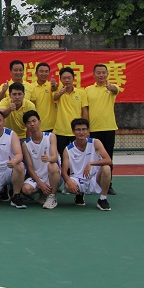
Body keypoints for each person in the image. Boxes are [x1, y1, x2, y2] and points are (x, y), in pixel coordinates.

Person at [61, 118, 113, 211]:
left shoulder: (95, 142)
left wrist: (91, 163)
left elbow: (109, 160)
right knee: (68, 186)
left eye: (84, 129)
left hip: (95, 178)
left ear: (88, 131)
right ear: (73, 131)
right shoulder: (68, 149)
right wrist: (69, 182)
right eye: (78, 129)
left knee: (106, 168)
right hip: (78, 179)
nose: (81, 132)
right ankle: (79, 194)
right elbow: (64, 172)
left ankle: (103, 199)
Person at [86, 63, 119, 195]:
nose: (101, 75)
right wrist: (86, 128)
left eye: (103, 73)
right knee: (91, 157)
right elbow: (85, 109)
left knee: (108, 157)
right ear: (93, 75)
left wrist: (111, 88)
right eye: (98, 73)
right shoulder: (87, 90)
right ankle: (89, 183)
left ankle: (108, 184)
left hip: (109, 128)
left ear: (107, 74)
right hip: (93, 129)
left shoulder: (112, 88)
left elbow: (115, 90)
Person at [20, 110, 60, 209]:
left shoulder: (51, 136)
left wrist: (48, 158)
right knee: (26, 189)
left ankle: (52, 196)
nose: (32, 124)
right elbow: (30, 168)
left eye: (34, 121)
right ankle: (43, 192)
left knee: (53, 165)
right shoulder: (26, 144)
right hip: (37, 177)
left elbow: (55, 157)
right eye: (29, 122)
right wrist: (41, 184)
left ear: (39, 122)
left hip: (52, 174)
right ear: (26, 125)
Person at [53, 67, 89, 157]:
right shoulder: (57, 91)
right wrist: (60, 93)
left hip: (77, 131)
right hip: (61, 131)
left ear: (73, 78)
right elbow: (54, 97)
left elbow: (84, 110)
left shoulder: (81, 93)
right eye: (64, 78)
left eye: (69, 78)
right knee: (63, 157)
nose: (67, 80)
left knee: (79, 156)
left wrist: (86, 128)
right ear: (60, 79)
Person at [27, 62, 58, 132]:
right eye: (41, 71)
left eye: (46, 71)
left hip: (51, 126)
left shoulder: (52, 86)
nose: (44, 74)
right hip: (35, 125)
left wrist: (54, 86)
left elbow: (55, 90)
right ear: (36, 73)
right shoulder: (30, 87)